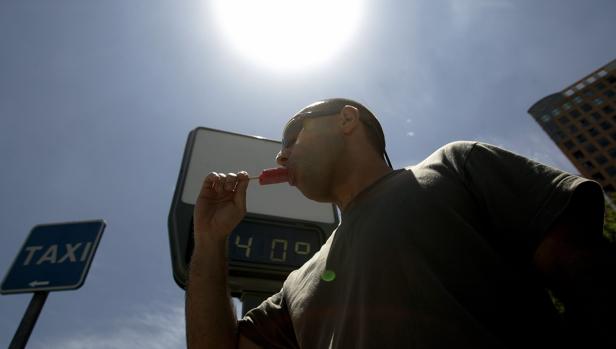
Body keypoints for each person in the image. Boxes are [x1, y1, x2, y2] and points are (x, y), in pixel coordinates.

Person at [185, 98, 615, 348]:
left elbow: (587, 275)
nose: (280, 156)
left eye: (292, 138)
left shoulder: (455, 166)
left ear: (347, 119)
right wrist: (209, 239)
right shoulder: (297, 283)